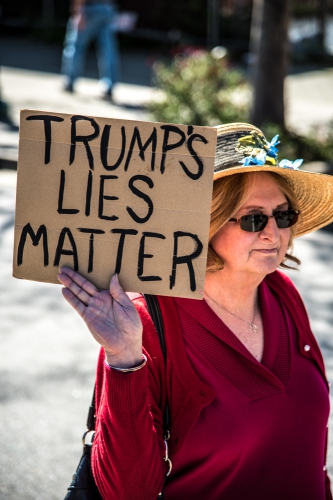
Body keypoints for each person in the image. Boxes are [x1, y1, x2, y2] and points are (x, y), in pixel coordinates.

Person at [58, 122, 333, 499]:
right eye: (254, 219)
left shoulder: (280, 290)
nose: (274, 233)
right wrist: (123, 358)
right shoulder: (143, 325)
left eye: (283, 216)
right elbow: (128, 491)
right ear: (206, 224)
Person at [61, 0, 119, 100]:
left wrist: (79, 12)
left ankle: (69, 81)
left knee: (76, 46)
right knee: (107, 50)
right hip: (107, 8)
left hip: (89, 8)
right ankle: (108, 86)